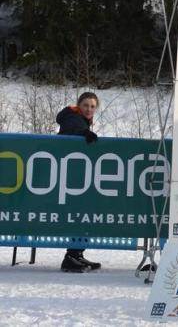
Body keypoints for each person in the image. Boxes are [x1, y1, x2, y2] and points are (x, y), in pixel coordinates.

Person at [56, 91, 101, 273]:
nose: (89, 109)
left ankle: (76, 254)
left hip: (75, 178)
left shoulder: (80, 119)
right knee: (80, 213)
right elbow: (72, 128)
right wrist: (84, 132)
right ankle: (71, 257)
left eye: (92, 106)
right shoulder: (72, 117)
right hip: (67, 178)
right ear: (78, 106)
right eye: (86, 105)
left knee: (84, 213)